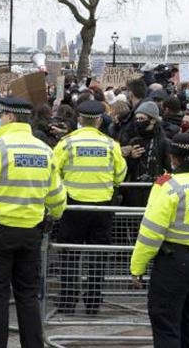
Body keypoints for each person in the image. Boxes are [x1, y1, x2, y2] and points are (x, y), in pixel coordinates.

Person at [0, 97, 66, 348]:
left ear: (9, 117)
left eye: (0, 116)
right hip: (31, 233)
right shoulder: (44, 150)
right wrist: (56, 213)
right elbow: (57, 197)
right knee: (28, 295)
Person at [130, 133, 189, 348]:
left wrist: (137, 268)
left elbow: (151, 233)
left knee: (166, 326)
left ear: (173, 158)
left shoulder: (168, 186)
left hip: (174, 265)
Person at [52, 100, 127, 314]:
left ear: (79, 119)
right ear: (99, 121)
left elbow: (54, 172)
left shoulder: (66, 143)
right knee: (98, 256)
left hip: (73, 207)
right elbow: (120, 175)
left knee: (69, 255)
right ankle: (93, 302)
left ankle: (68, 301)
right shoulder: (111, 144)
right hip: (102, 208)